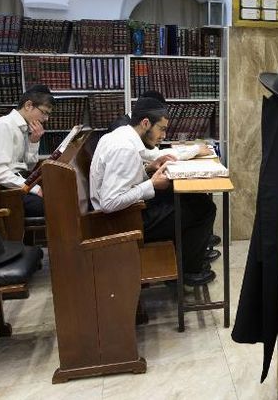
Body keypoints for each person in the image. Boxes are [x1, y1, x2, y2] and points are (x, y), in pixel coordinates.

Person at [89, 97, 217, 285]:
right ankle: (187, 271)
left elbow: (124, 178)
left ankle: (188, 260)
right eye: (162, 129)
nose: (163, 135)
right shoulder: (124, 148)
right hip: (122, 221)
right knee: (204, 210)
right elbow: (109, 203)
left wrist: (148, 170)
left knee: (193, 200)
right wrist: (151, 185)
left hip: (125, 212)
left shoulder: (122, 135)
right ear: (146, 123)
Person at [0, 84, 55, 217]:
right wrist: (34, 188)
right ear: (28, 105)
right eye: (45, 112)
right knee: (53, 206)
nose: (46, 119)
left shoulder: (23, 126)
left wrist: (34, 141)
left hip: (15, 181)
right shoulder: (4, 126)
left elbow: (28, 167)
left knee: (57, 195)